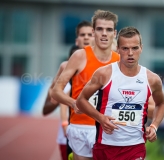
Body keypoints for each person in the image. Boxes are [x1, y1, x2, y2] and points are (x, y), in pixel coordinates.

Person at [76, 26, 164, 160]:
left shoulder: (152, 79)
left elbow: (162, 104)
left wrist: (154, 126)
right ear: (118, 49)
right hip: (105, 146)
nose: (130, 53)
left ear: (141, 48)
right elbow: (81, 100)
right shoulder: (104, 74)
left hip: (135, 147)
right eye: (125, 48)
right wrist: (100, 118)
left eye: (135, 48)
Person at [51, 10, 120, 160]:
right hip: (80, 127)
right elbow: (56, 91)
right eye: (100, 29)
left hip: (106, 128)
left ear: (114, 33)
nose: (104, 33)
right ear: (94, 31)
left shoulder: (119, 61)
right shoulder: (79, 56)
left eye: (108, 30)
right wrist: (73, 103)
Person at [42, 20, 94, 160]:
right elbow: (46, 109)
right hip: (69, 134)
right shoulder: (65, 67)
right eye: (83, 35)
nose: (87, 37)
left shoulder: (107, 66)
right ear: (77, 40)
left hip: (98, 133)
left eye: (90, 34)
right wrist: (65, 100)